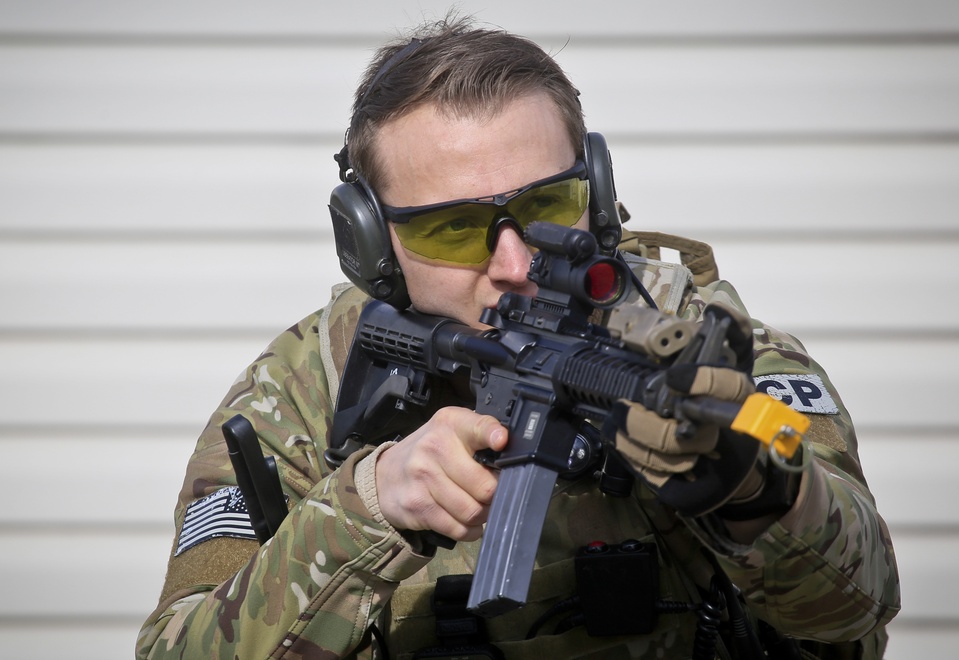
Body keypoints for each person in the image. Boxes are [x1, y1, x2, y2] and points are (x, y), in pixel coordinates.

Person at [136, 15, 899, 659]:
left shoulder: (700, 346)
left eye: (549, 205)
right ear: (369, 241)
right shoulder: (305, 388)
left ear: (595, 191)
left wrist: (757, 484)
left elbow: (862, 609)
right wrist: (365, 507)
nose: (516, 262)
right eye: (455, 226)